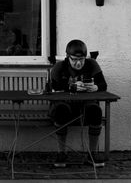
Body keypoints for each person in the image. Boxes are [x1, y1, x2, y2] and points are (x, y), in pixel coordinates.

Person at [50, 39, 107, 168]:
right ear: (67, 57)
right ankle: (61, 153)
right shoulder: (59, 67)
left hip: (85, 104)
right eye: (74, 59)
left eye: (81, 59)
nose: (78, 63)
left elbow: (103, 84)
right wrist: (70, 86)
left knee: (95, 110)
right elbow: (52, 87)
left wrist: (96, 87)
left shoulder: (92, 64)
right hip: (65, 103)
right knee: (61, 110)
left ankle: (92, 153)